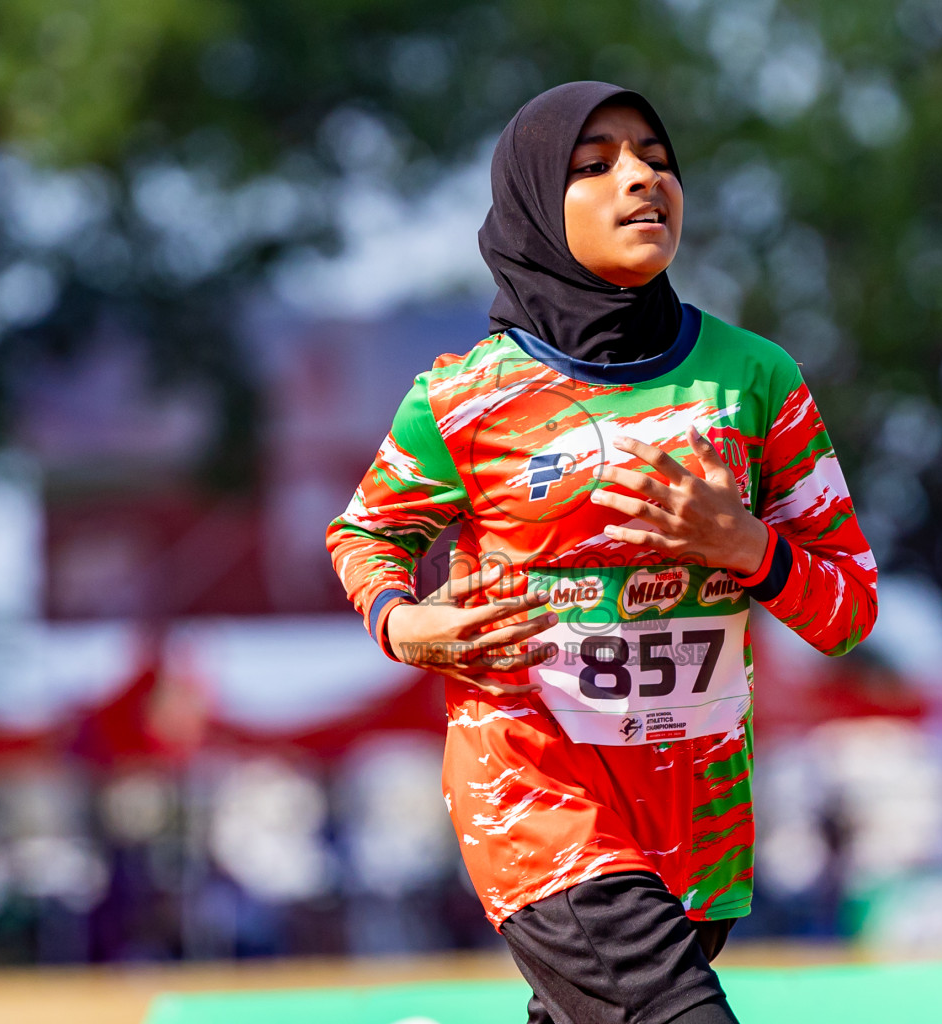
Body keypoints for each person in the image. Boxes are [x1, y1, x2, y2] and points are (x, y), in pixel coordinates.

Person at [327, 82, 876, 1024]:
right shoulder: (463, 401)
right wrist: (406, 622)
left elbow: (849, 610)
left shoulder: (757, 379)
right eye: (596, 165)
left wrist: (747, 546)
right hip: (533, 792)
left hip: (697, 815)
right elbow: (367, 534)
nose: (641, 179)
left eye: (656, 157)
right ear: (538, 202)